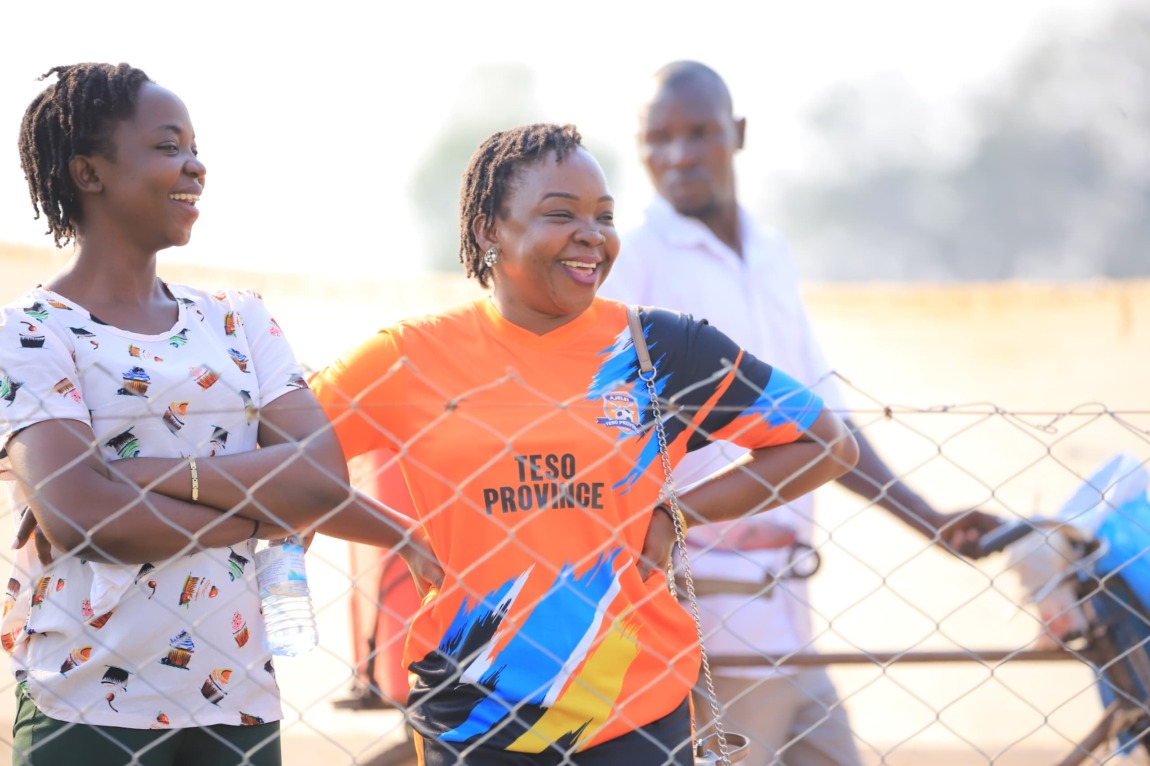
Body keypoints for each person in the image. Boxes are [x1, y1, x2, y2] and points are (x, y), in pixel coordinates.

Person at [307, 122, 861, 765]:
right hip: (471, 718)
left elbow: (827, 443)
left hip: (636, 713)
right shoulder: (410, 356)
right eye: (560, 213)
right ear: (488, 230)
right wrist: (396, 532)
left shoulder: (659, 349)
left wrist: (678, 512)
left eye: (604, 216)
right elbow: (281, 462)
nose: (592, 234)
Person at [598, 60, 1002, 766]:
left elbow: (824, 423)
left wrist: (929, 521)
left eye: (699, 133)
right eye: (657, 138)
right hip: (701, 604)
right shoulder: (634, 261)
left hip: (788, 605)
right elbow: (599, 425)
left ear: (738, 133)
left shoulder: (771, 254)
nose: (678, 155)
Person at [0, 62, 353, 766]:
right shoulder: (32, 332)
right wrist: (266, 512)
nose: (195, 166)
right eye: (168, 146)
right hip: (86, 706)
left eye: (195, 147)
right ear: (88, 172)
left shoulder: (239, 319)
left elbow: (323, 482)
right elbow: (84, 522)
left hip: (239, 702)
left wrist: (138, 479)